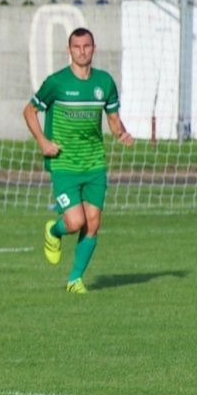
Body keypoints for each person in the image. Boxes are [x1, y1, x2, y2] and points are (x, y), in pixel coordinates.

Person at [25, 27, 134, 293]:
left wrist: (121, 132)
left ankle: (74, 280)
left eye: (87, 46)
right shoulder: (57, 83)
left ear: (93, 49)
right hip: (64, 164)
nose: (82, 51)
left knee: (93, 223)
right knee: (75, 223)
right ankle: (54, 232)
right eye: (77, 47)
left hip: (94, 164)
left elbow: (112, 118)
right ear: (69, 50)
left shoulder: (104, 83)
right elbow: (29, 111)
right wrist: (42, 141)